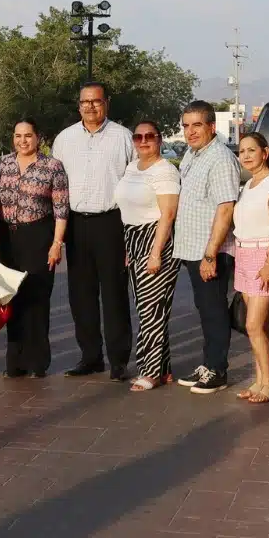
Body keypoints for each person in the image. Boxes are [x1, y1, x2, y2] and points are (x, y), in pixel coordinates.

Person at [50, 81, 134, 379]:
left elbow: (134, 183)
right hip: (75, 224)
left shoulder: (123, 138)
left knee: (114, 293)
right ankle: (90, 356)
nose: (90, 106)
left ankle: (119, 359)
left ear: (106, 102)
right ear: (79, 105)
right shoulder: (64, 139)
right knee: (80, 294)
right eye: (85, 102)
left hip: (111, 222)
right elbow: (55, 185)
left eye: (96, 101)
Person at [173, 100, 241, 394]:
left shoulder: (220, 158)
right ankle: (208, 363)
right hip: (192, 249)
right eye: (186, 126)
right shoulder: (192, 155)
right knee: (204, 309)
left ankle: (218, 370)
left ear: (212, 127)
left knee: (214, 310)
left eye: (197, 125)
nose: (190, 131)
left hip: (210, 251)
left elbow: (225, 208)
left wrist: (210, 254)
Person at [0, 119, 70, 379]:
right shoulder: (3, 164)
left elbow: (61, 210)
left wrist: (56, 244)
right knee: (11, 298)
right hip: (7, 238)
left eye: (28, 135)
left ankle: (38, 362)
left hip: (38, 236)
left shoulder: (52, 167)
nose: (22, 141)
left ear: (38, 137)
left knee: (36, 300)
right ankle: (15, 362)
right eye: (18, 135)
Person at [113, 119, 180, 391]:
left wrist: (155, 253)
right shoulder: (132, 167)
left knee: (151, 310)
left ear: (159, 140)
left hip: (156, 239)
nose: (143, 141)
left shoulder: (165, 171)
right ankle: (163, 369)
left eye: (149, 136)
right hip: (134, 238)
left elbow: (169, 214)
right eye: (138, 137)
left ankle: (149, 371)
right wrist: (131, 249)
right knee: (147, 307)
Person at [232, 132, 269, 404]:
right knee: (258, 326)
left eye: (251, 150)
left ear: (265, 152)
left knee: (253, 324)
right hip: (243, 256)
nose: (245, 155)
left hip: (264, 256)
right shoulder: (249, 185)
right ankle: (259, 381)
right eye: (241, 151)